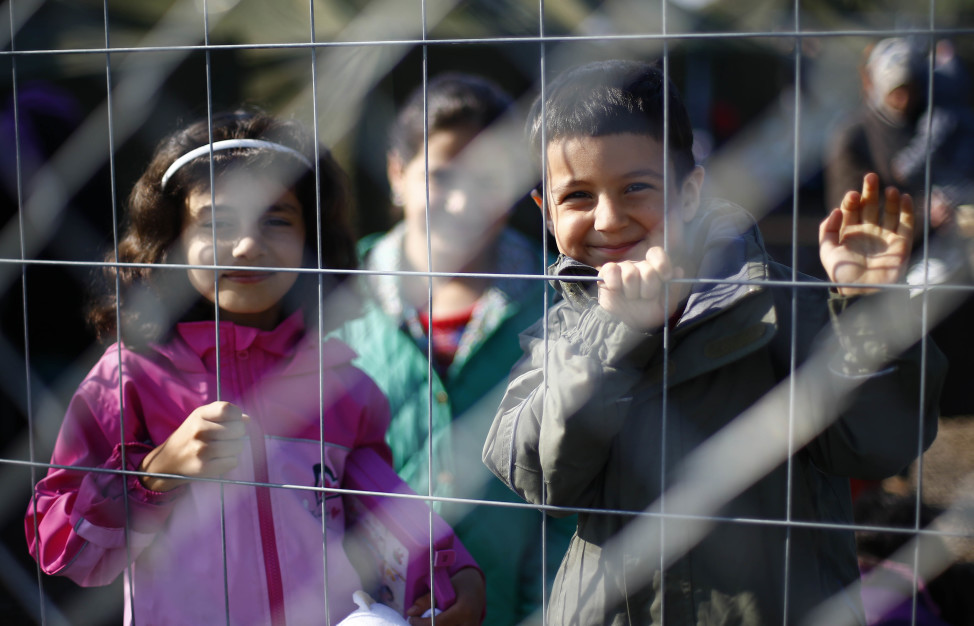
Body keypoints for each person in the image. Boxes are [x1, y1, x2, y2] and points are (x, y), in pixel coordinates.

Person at [482, 59, 946, 624]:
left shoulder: (783, 305)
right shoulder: (560, 332)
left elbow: (878, 443)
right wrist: (618, 335)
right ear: (545, 212)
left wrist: (868, 307)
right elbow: (542, 478)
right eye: (577, 195)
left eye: (636, 187)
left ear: (691, 189)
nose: (608, 218)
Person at [24, 109, 484, 626]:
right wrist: (156, 473)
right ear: (169, 242)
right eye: (216, 222)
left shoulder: (339, 381)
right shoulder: (127, 378)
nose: (247, 245)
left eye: (276, 219)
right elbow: (57, 544)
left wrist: (453, 571)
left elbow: (382, 512)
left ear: (312, 241)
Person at [333, 73, 574, 625]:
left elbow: (575, 494)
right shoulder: (335, 299)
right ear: (396, 174)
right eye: (441, 176)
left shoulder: (563, 304)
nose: (463, 201)